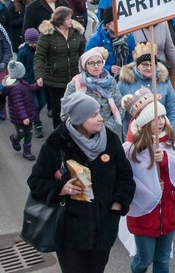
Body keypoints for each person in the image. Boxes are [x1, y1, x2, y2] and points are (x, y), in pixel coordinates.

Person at [27, 92, 135, 273]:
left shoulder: (110, 140)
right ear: (79, 119)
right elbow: (36, 181)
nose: (101, 119)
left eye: (99, 113)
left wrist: (116, 206)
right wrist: (60, 188)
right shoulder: (56, 143)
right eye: (94, 115)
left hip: (103, 230)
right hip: (70, 233)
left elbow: (125, 177)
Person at [123, 87, 175, 273]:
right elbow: (128, 179)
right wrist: (151, 185)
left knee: (163, 260)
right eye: (154, 119)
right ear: (144, 123)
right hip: (144, 215)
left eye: (162, 117)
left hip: (168, 210)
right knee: (144, 259)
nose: (159, 122)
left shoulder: (172, 140)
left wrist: (165, 160)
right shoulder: (131, 149)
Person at [35, 7, 86, 129]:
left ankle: (74, 137)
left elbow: (83, 53)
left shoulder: (76, 31)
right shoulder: (48, 34)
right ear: (60, 20)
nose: (71, 21)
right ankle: (59, 137)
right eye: (68, 19)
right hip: (55, 80)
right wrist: (39, 75)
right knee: (59, 111)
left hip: (75, 78)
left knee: (75, 109)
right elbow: (39, 56)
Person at [119, 42, 175, 138]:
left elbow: (173, 106)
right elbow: (117, 112)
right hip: (136, 137)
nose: (149, 68)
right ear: (137, 64)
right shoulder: (125, 82)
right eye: (144, 64)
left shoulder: (163, 80)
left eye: (152, 64)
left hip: (160, 135)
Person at [63, 47, 123, 133]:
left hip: (106, 131)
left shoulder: (110, 81)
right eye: (91, 63)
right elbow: (65, 112)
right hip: (82, 132)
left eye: (99, 62)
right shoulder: (75, 84)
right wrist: (79, 129)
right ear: (85, 66)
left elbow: (121, 105)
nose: (96, 66)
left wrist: (109, 126)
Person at [3, 60, 41, 161]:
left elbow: (29, 88)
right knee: (21, 133)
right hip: (19, 117)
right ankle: (15, 138)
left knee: (29, 133)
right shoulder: (16, 89)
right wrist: (24, 117)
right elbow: (18, 105)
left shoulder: (22, 83)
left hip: (28, 114)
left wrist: (38, 85)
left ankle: (27, 151)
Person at [86, 7, 136, 77]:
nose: (117, 24)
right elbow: (87, 61)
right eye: (114, 21)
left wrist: (127, 69)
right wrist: (109, 68)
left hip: (125, 78)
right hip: (103, 79)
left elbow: (133, 59)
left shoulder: (129, 37)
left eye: (119, 20)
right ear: (107, 23)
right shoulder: (96, 39)